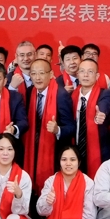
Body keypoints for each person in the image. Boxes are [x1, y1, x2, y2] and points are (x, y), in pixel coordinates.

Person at [24, 58, 75, 196]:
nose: (37, 77)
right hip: (32, 149)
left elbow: (71, 127)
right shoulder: (30, 92)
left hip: (52, 152)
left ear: (51, 74)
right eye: (34, 73)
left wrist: (58, 130)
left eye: (42, 73)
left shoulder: (61, 95)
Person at [70, 58, 110, 177]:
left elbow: (105, 104)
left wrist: (101, 114)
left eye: (90, 71)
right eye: (82, 71)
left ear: (97, 75)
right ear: (77, 74)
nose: (85, 75)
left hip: (99, 150)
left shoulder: (105, 94)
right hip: (75, 148)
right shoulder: (72, 96)